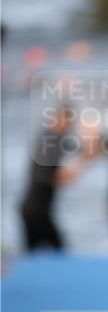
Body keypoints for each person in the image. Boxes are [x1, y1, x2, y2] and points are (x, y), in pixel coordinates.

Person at [20, 102, 75, 250]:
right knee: (54, 253)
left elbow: (80, 149)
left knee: (54, 253)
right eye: (66, 120)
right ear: (56, 118)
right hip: (34, 210)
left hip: (42, 210)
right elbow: (40, 175)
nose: (68, 125)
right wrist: (65, 176)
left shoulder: (58, 140)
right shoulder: (47, 140)